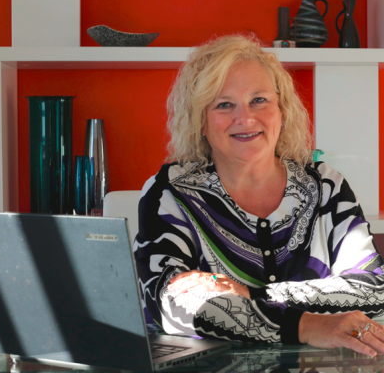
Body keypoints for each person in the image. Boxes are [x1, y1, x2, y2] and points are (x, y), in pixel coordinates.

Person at [133, 33, 384, 356]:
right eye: (224, 104)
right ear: (200, 121)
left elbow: (374, 289)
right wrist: (305, 326)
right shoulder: (170, 192)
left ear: (282, 110)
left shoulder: (326, 185)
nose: (246, 118)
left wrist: (255, 294)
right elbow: (170, 302)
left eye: (259, 100)